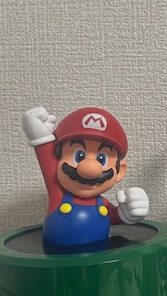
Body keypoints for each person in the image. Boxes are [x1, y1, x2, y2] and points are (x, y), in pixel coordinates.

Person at [22, 105, 149, 246]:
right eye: (79, 156)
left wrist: (128, 212)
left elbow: (115, 216)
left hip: (100, 255)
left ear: (119, 171)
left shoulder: (103, 204)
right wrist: (41, 137)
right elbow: (47, 162)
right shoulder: (58, 195)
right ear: (57, 161)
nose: (90, 169)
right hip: (57, 257)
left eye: (101, 159)